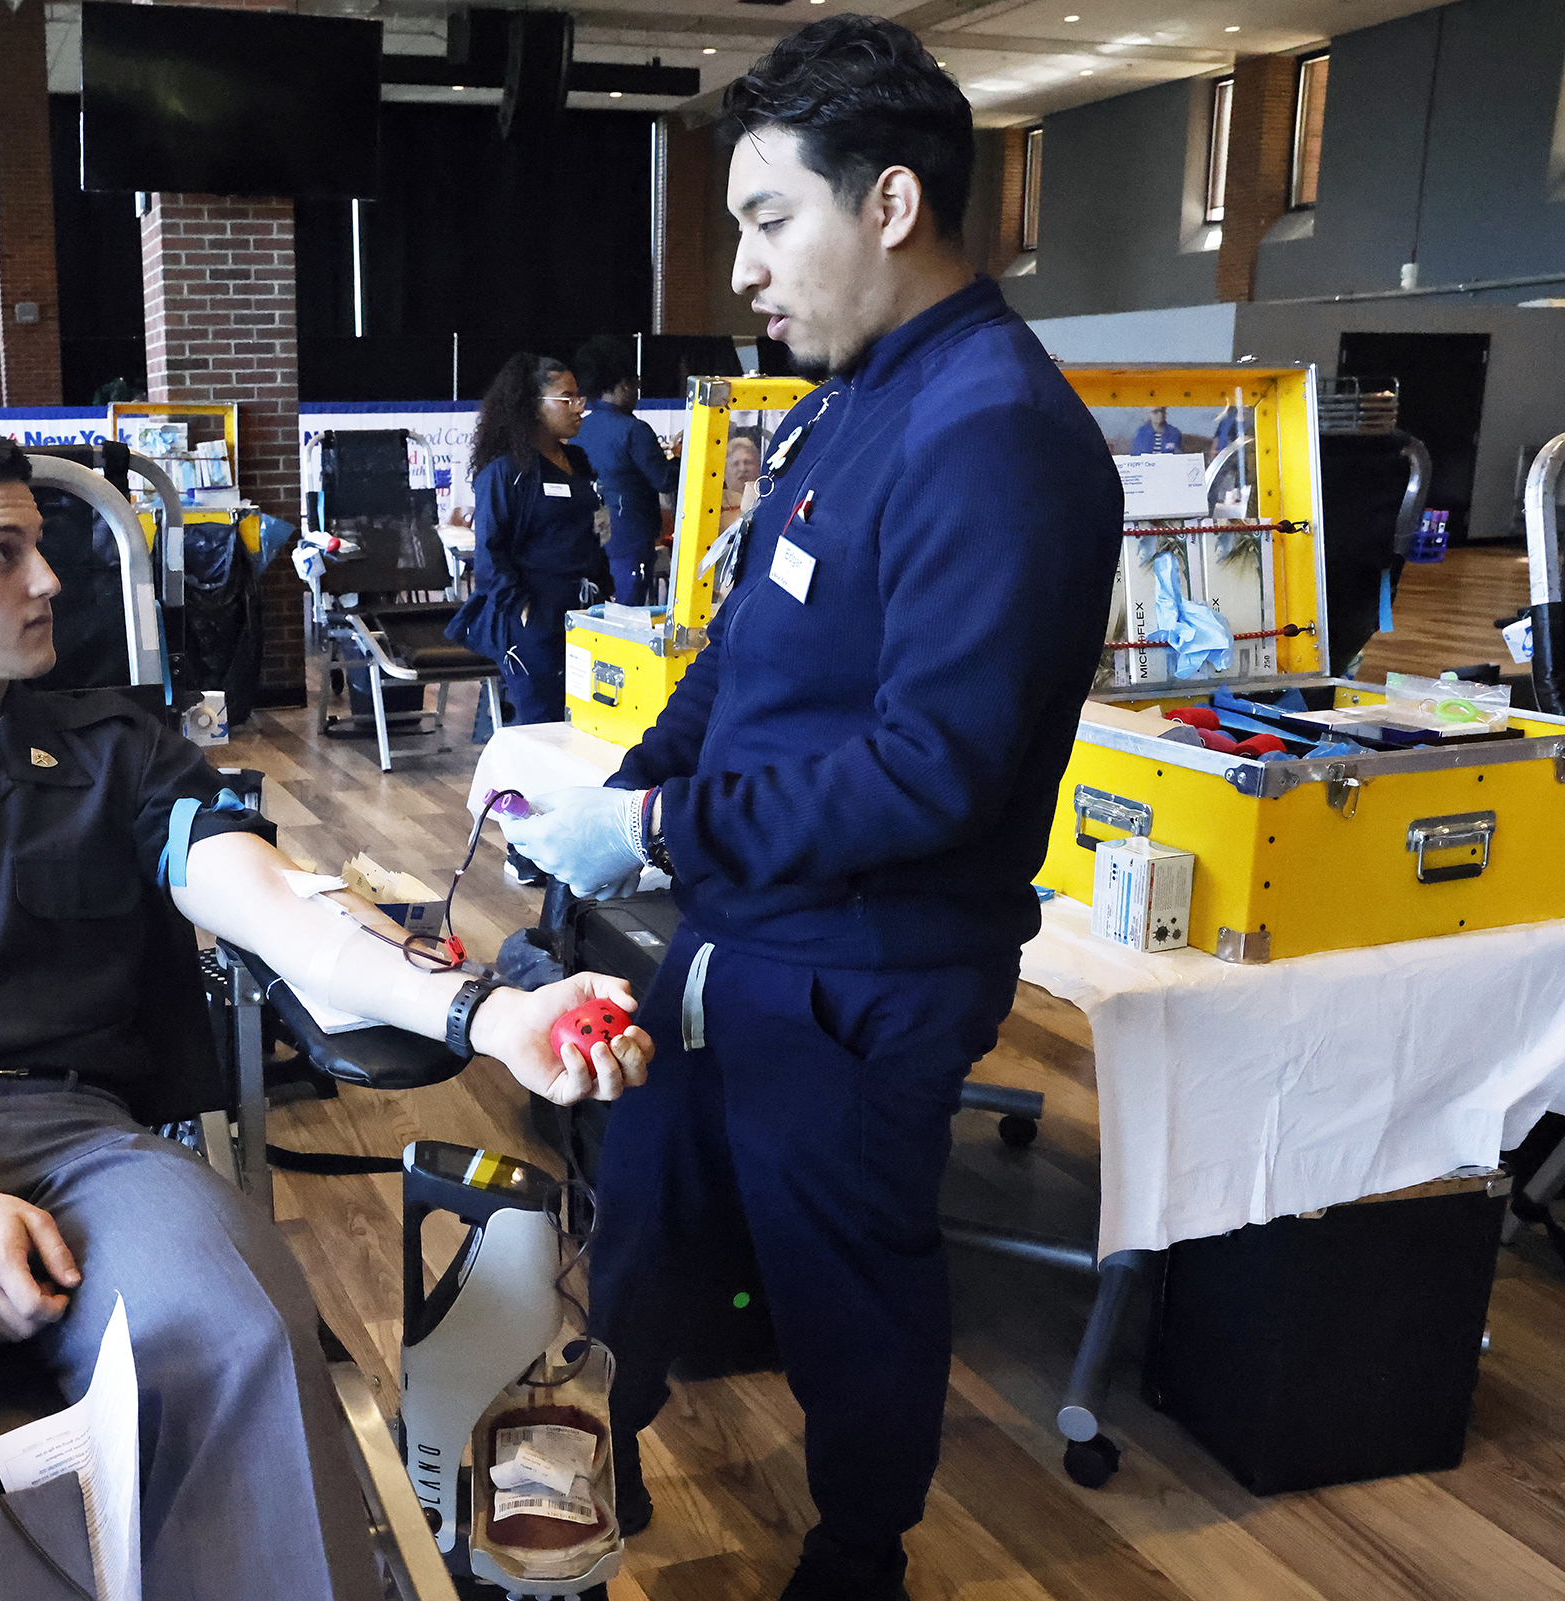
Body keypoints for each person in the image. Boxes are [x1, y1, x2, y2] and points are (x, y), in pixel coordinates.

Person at [0, 429, 653, 1601]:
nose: (49, 579)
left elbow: (271, 905)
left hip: (90, 1143)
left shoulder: (122, 753)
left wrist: (487, 1013)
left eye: (43, 545)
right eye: (5, 554)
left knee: (237, 1329)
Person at [501, 18, 1121, 1601]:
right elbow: (745, 651)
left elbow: (935, 768)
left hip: (866, 963)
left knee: (845, 1280)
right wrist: (635, 781)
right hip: (733, 924)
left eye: (771, 221)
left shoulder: (997, 436)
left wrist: (654, 836)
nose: (747, 271)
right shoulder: (853, 398)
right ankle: (604, 1459)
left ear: (893, 206)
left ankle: (859, 1553)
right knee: (638, 1210)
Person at [445, 353, 612, 730]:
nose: (579, 408)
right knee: (541, 726)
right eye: (566, 398)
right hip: (534, 618)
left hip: (586, 614)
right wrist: (519, 607)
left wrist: (607, 590)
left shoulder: (579, 462)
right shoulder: (505, 474)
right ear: (533, 407)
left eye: (579, 397)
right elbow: (488, 552)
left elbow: (594, 531)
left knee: (588, 722)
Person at [572, 336, 677, 605]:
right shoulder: (633, 430)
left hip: (587, 538)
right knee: (625, 622)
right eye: (636, 385)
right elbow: (663, 480)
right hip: (630, 538)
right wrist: (678, 457)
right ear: (624, 385)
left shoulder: (578, 430)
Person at [719, 432, 764, 531]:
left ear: (758, 466)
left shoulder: (767, 497)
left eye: (748, 462)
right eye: (735, 464)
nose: (742, 469)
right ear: (725, 470)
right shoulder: (715, 504)